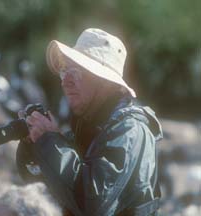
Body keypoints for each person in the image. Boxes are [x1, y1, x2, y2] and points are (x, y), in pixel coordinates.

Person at [16, 28, 163, 216]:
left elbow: (92, 204)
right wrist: (33, 144)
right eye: (64, 71)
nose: (65, 81)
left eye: (76, 73)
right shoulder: (91, 125)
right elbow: (38, 183)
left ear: (106, 82)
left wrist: (50, 141)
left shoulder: (129, 130)